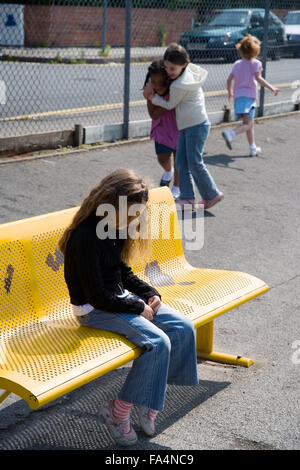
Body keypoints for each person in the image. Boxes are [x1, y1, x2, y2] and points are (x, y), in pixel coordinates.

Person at [58, 169, 199, 447]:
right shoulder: (85, 237)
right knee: (158, 342)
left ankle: (151, 401)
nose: (135, 219)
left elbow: (122, 272)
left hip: (117, 299)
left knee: (183, 328)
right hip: (93, 310)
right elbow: (97, 296)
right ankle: (118, 411)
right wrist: (135, 307)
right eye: (132, 213)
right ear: (114, 202)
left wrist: (148, 294)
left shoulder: (114, 227)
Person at [144, 43, 223, 211]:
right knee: (181, 162)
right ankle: (187, 198)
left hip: (196, 125)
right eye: (166, 67)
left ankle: (211, 194)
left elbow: (170, 103)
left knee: (194, 162)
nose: (169, 71)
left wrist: (152, 97)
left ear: (184, 65)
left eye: (172, 68)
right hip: (188, 125)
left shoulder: (179, 85)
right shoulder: (189, 71)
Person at [222, 34, 280, 156]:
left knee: (248, 124)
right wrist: (272, 88)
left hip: (238, 97)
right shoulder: (256, 64)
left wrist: (230, 93)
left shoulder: (237, 64)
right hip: (249, 98)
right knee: (248, 124)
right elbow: (259, 79)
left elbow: (229, 80)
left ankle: (252, 147)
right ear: (256, 51)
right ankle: (231, 133)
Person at [144, 60, 180, 199]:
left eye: (162, 82)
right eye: (153, 81)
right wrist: (166, 102)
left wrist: (171, 99)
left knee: (179, 161)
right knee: (162, 158)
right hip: (161, 130)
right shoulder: (150, 93)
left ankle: (176, 188)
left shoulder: (176, 90)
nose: (157, 86)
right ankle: (168, 171)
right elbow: (153, 114)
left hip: (178, 127)